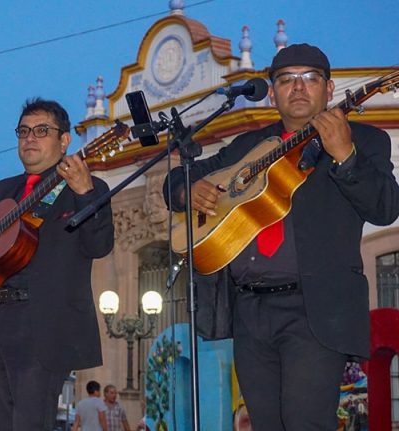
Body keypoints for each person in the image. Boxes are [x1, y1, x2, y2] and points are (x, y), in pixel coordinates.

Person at [163, 43, 399, 430]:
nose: (299, 88)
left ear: (329, 88)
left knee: (305, 422)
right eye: (287, 80)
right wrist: (187, 192)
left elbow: (386, 208)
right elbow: (176, 179)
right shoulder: (246, 146)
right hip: (249, 312)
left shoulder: (366, 140)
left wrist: (345, 156)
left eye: (311, 79)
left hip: (315, 311)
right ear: (272, 93)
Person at [0, 98, 114, 430]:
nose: (30, 138)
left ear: (65, 141)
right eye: (23, 131)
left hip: (44, 325)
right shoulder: (5, 190)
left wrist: (86, 192)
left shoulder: (89, 188)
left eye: (42, 130)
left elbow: (100, 246)